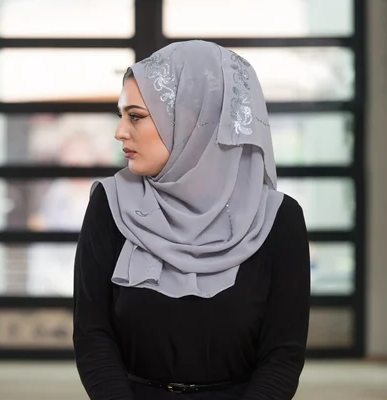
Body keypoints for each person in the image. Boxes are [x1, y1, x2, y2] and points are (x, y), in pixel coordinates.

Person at [73, 40, 310, 400]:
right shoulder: (110, 204)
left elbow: (283, 354)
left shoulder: (279, 219)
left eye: (135, 115)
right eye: (121, 115)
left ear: (193, 120)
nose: (120, 132)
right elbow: (92, 335)